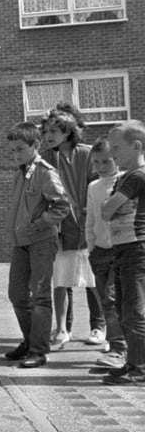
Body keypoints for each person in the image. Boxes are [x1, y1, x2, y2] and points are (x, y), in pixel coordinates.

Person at [4, 122, 70, 368]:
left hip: (41, 240)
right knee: (16, 294)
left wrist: (40, 223)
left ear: (36, 145)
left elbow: (62, 205)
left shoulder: (44, 171)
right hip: (21, 242)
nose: (16, 154)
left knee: (40, 295)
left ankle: (39, 350)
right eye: (12, 150)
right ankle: (30, 341)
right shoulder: (20, 172)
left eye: (20, 149)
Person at [40, 106, 102, 348]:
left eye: (54, 130)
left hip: (88, 226)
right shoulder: (46, 158)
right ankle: (63, 328)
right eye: (45, 131)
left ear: (68, 131)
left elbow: (95, 185)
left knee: (93, 280)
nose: (48, 135)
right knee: (61, 279)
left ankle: (99, 326)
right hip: (61, 227)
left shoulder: (86, 154)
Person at [99, 120, 145, 385]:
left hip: (135, 247)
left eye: (117, 147)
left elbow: (106, 210)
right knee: (122, 308)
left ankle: (139, 368)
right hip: (124, 248)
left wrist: (109, 205)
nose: (111, 151)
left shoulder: (136, 176)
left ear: (136, 146)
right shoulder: (125, 176)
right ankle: (132, 361)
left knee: (133, 311)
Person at [86, 137, 126, 369]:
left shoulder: (124, 182)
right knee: (106, 301)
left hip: (120, 250)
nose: (101, 167)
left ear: (117, 160)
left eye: (106, 162)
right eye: (97, 162)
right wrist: (91, 245)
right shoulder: (93, 187)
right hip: (99, 251)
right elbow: (91, 218)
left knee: (112, 300)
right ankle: (118, 344)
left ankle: (118, 346)